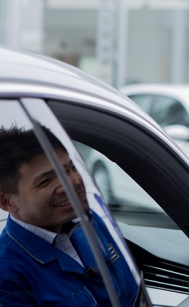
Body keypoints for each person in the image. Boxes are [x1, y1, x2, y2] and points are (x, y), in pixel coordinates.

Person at [0, 125, 138, 306]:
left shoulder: (91, 222)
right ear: (6, 202)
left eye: (70, 168)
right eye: (46, 181)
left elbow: (132, 293)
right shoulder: (7, 275)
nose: (71, 183)